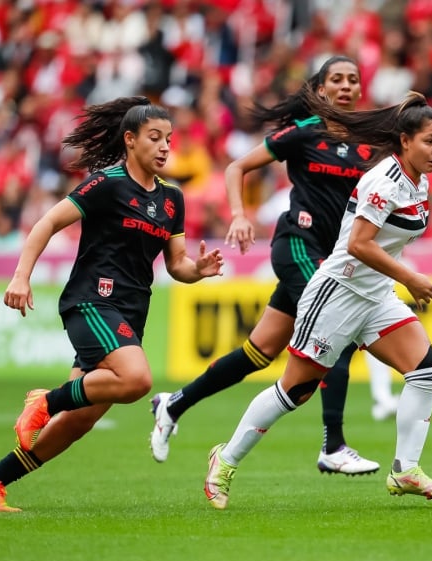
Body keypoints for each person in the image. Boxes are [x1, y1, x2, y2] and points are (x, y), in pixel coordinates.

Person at [203, 91, 432, 510]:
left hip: (374, 297)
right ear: (405, 141)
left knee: (426, 373)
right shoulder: (382, 181)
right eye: (429, 141)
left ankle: (406, 470)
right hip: (338, 292)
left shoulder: (419, 182)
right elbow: (358, 244)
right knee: (293, 392)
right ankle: (223, 462)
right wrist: (409, 277)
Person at [148, 55, 395, 475]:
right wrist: (239, 215)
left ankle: (173, 403)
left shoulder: (370, 141)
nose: (347, 86)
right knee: (337, 327)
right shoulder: (302, 133)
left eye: (353, 79)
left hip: (333, 256)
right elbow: (236, 167)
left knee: (258, 353)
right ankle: (333, 445)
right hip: (297, 243)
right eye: (337, 79)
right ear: (320, 90)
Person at [0, 96, 224, 512]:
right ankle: (44, 401)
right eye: (155, 138)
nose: (166, 146)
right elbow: (47, 222)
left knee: (80, 422)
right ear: (130, 140)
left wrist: (198, 269)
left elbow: (177, 265)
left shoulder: (172, 199)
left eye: (169, 139)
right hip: (91, 302)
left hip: (131, 313)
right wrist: (22, 276)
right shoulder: (107, 183)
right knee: (137, 381)